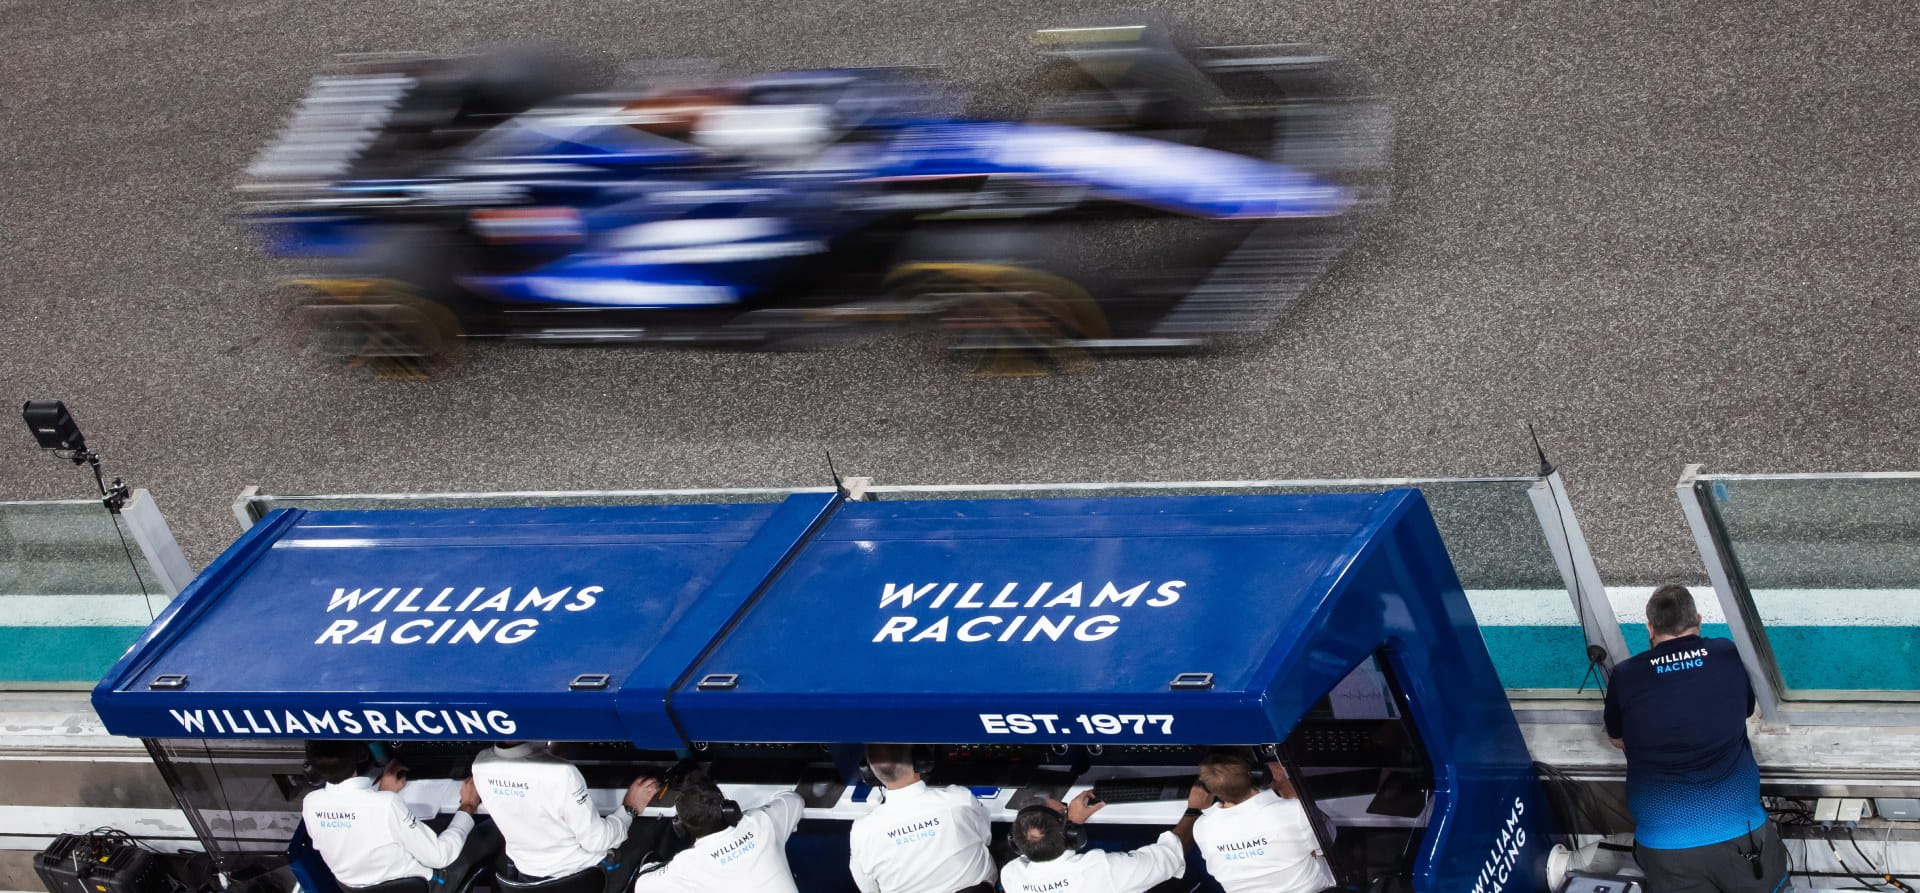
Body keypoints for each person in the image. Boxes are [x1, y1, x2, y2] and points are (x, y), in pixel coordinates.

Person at [1604, 585, 1787, 892]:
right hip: (1741, 839)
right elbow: (1745, 710)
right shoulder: (1725, 654)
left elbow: (1616, 739)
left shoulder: (1625, 675)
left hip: (1665, 849)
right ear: (1698, 620)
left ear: (1649, 627)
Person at [301, 741, 499, 889]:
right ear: (359, 755)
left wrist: (381, 794)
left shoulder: (310, 803)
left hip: (354, 888)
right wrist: (467, 806)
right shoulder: (385, 805)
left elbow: (354, 823)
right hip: (426, 884)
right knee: (498, 826)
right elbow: (440, 857)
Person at [470, 742, 666, 888]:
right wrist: (631, 807)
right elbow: (597, 841)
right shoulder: (562, 774)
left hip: (526, 878)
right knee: (657, 834)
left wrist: (546, 755)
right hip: (586, 877)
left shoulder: (480, 763)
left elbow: (525, 789)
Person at [847, 743, 995, 893]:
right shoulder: (959, 799)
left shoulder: (861, 832)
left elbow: (868, 889)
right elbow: (987, 837)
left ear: (869, 773)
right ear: (921, 760)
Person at [999, 788, 1205, 893]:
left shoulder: (1011, 876)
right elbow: (1171, 855)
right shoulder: (1101, 869)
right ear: (1072, 835)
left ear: (1015, 842)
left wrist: (1070, 822)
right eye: (1064, 809)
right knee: (1190, 876)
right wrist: (1195, 807)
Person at [632, 770, 804, 892]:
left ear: (680, 827)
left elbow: (642, 884)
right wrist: (747, 817)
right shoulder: (761, 823)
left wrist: (654, 863)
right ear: (729, 809)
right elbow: (794, 800)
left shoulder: (685, 865)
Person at [1191, 752, 1338, 893]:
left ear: (1207, 789)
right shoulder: (1293, 812)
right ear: (1257, 774)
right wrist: (1290, 792)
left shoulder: (1202, 828)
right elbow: (1329, 839)